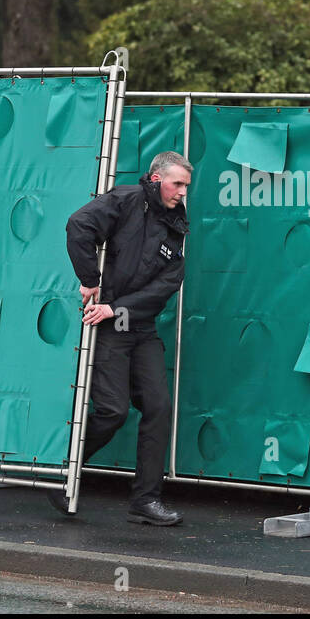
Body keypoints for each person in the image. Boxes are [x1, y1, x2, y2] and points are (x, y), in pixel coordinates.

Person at [61, 151, 191, 525]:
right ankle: (65, 470)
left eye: (185, 185)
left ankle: (145, 502)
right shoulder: (125, 200)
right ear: (154, 179)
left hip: (138, 324)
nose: (182, 192)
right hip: (111, 328)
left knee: (158, 407)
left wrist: (117, 309)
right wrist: (90, 281)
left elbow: (170, 281)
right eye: (177, 183)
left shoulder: (176, 220)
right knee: (113, 411)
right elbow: (78, 226)